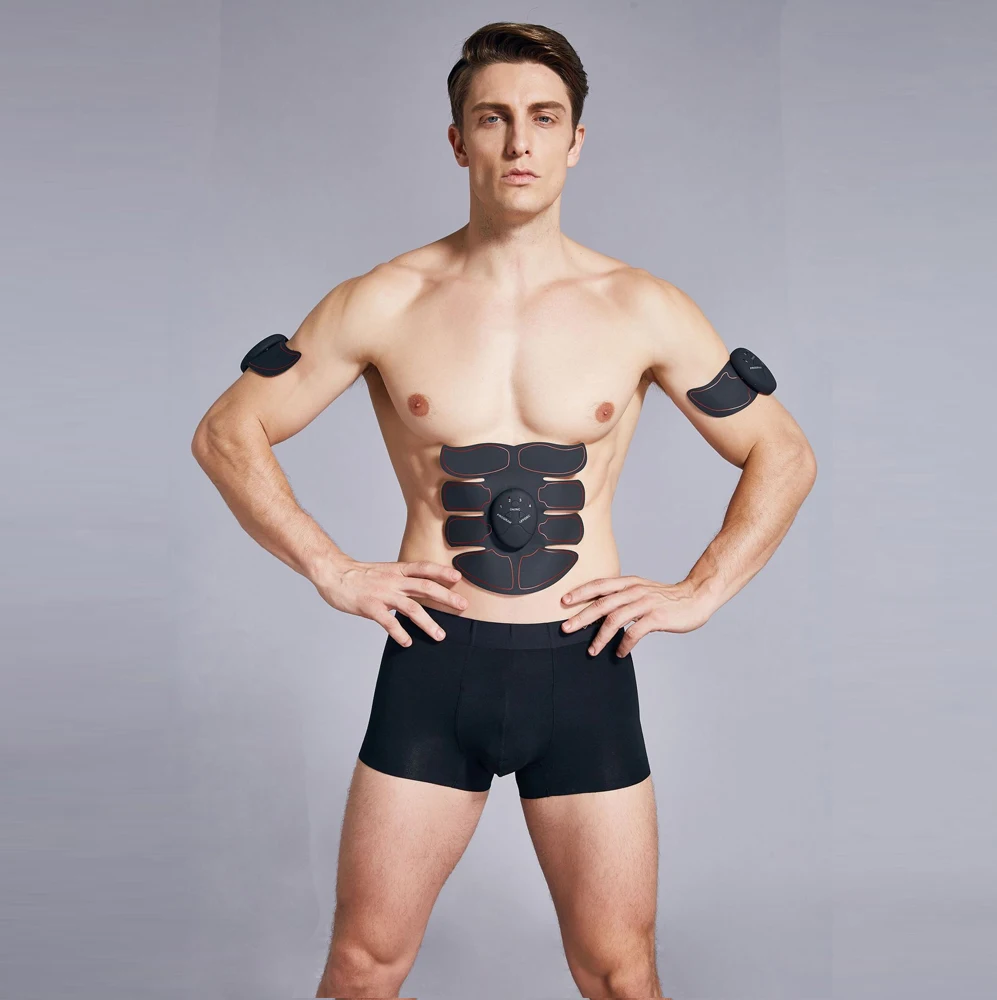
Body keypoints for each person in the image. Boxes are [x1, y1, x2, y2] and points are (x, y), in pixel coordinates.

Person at [191, 20, 816, 1000]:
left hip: (582, 668)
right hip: (435, 663)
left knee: (618, 972)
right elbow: (228, 431)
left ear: (577, 140)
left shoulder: (641, 306)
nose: (520, 143)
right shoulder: (384, 300)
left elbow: (783, 452)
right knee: (362, 968)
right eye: (493, 119)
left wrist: (700, 590)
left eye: (544, 118)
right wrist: (330, 567)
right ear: (457, 140)